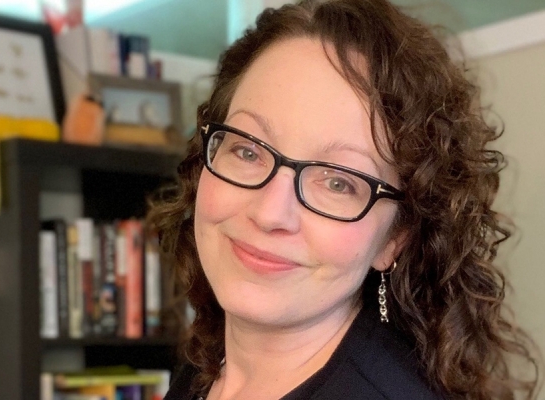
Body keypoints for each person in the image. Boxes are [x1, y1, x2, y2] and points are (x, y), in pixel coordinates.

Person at [148, 0, 542, 399]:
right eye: (249, 151)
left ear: (394, 239)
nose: (270, 212)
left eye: (338, 182)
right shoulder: (208, 372)